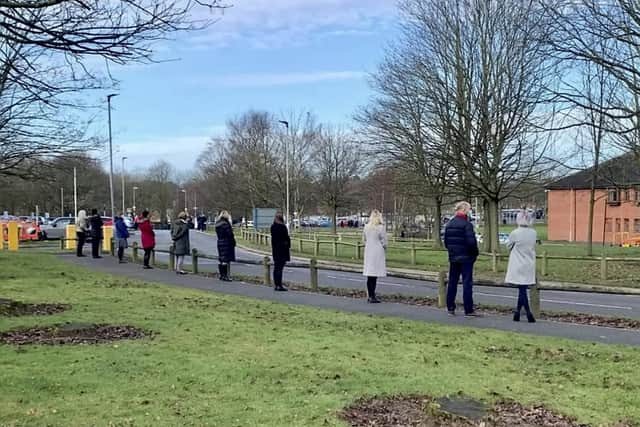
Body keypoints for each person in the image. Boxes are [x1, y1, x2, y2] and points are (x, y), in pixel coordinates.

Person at [444, 201, 479, 317]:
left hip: (454, 257)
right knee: (467, 283)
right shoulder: (467, 225)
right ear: (464, 210)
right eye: (469, 210)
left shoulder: (449, 224)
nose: (469, 212)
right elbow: (471, 243)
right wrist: (475, 254)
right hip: (466, 257)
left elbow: (446, 242)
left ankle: (450, 307)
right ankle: (468, 309)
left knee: (452, 282)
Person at [506, 210, 537, 323]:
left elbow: (509, 246)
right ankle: (518, 312)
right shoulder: (533, 233)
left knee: (522, 289)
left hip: (518, 263)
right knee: (522, 289)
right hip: (528, 263)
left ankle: (526, 312)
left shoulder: (515, 233)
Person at [362, 209, 387, 303]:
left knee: (370, 274)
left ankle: (370, 295)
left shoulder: (366, 227)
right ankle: (372, 296)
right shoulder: (381, 227)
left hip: (369, 250)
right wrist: (384, 247)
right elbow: (384, 241)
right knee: (374, 274)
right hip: (377, 250)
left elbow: (364, 239)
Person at [270, 212, 290, 292]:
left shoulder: (273, 226)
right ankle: (279, 285)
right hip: (282, 249)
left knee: (276, 267)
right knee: (280, 268)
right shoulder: (282, 227)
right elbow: (286, 238)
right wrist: (287, 243)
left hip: (275, 249)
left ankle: (276, 284)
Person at [215, 210, 236, 282]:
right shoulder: (226, 224)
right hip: (227, 242)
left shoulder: (218, 224)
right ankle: (225, 276)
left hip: (220, 241)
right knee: (225, 259)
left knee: (222, 259)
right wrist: (233, 242)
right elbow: (230, 234)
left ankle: (222, 275)